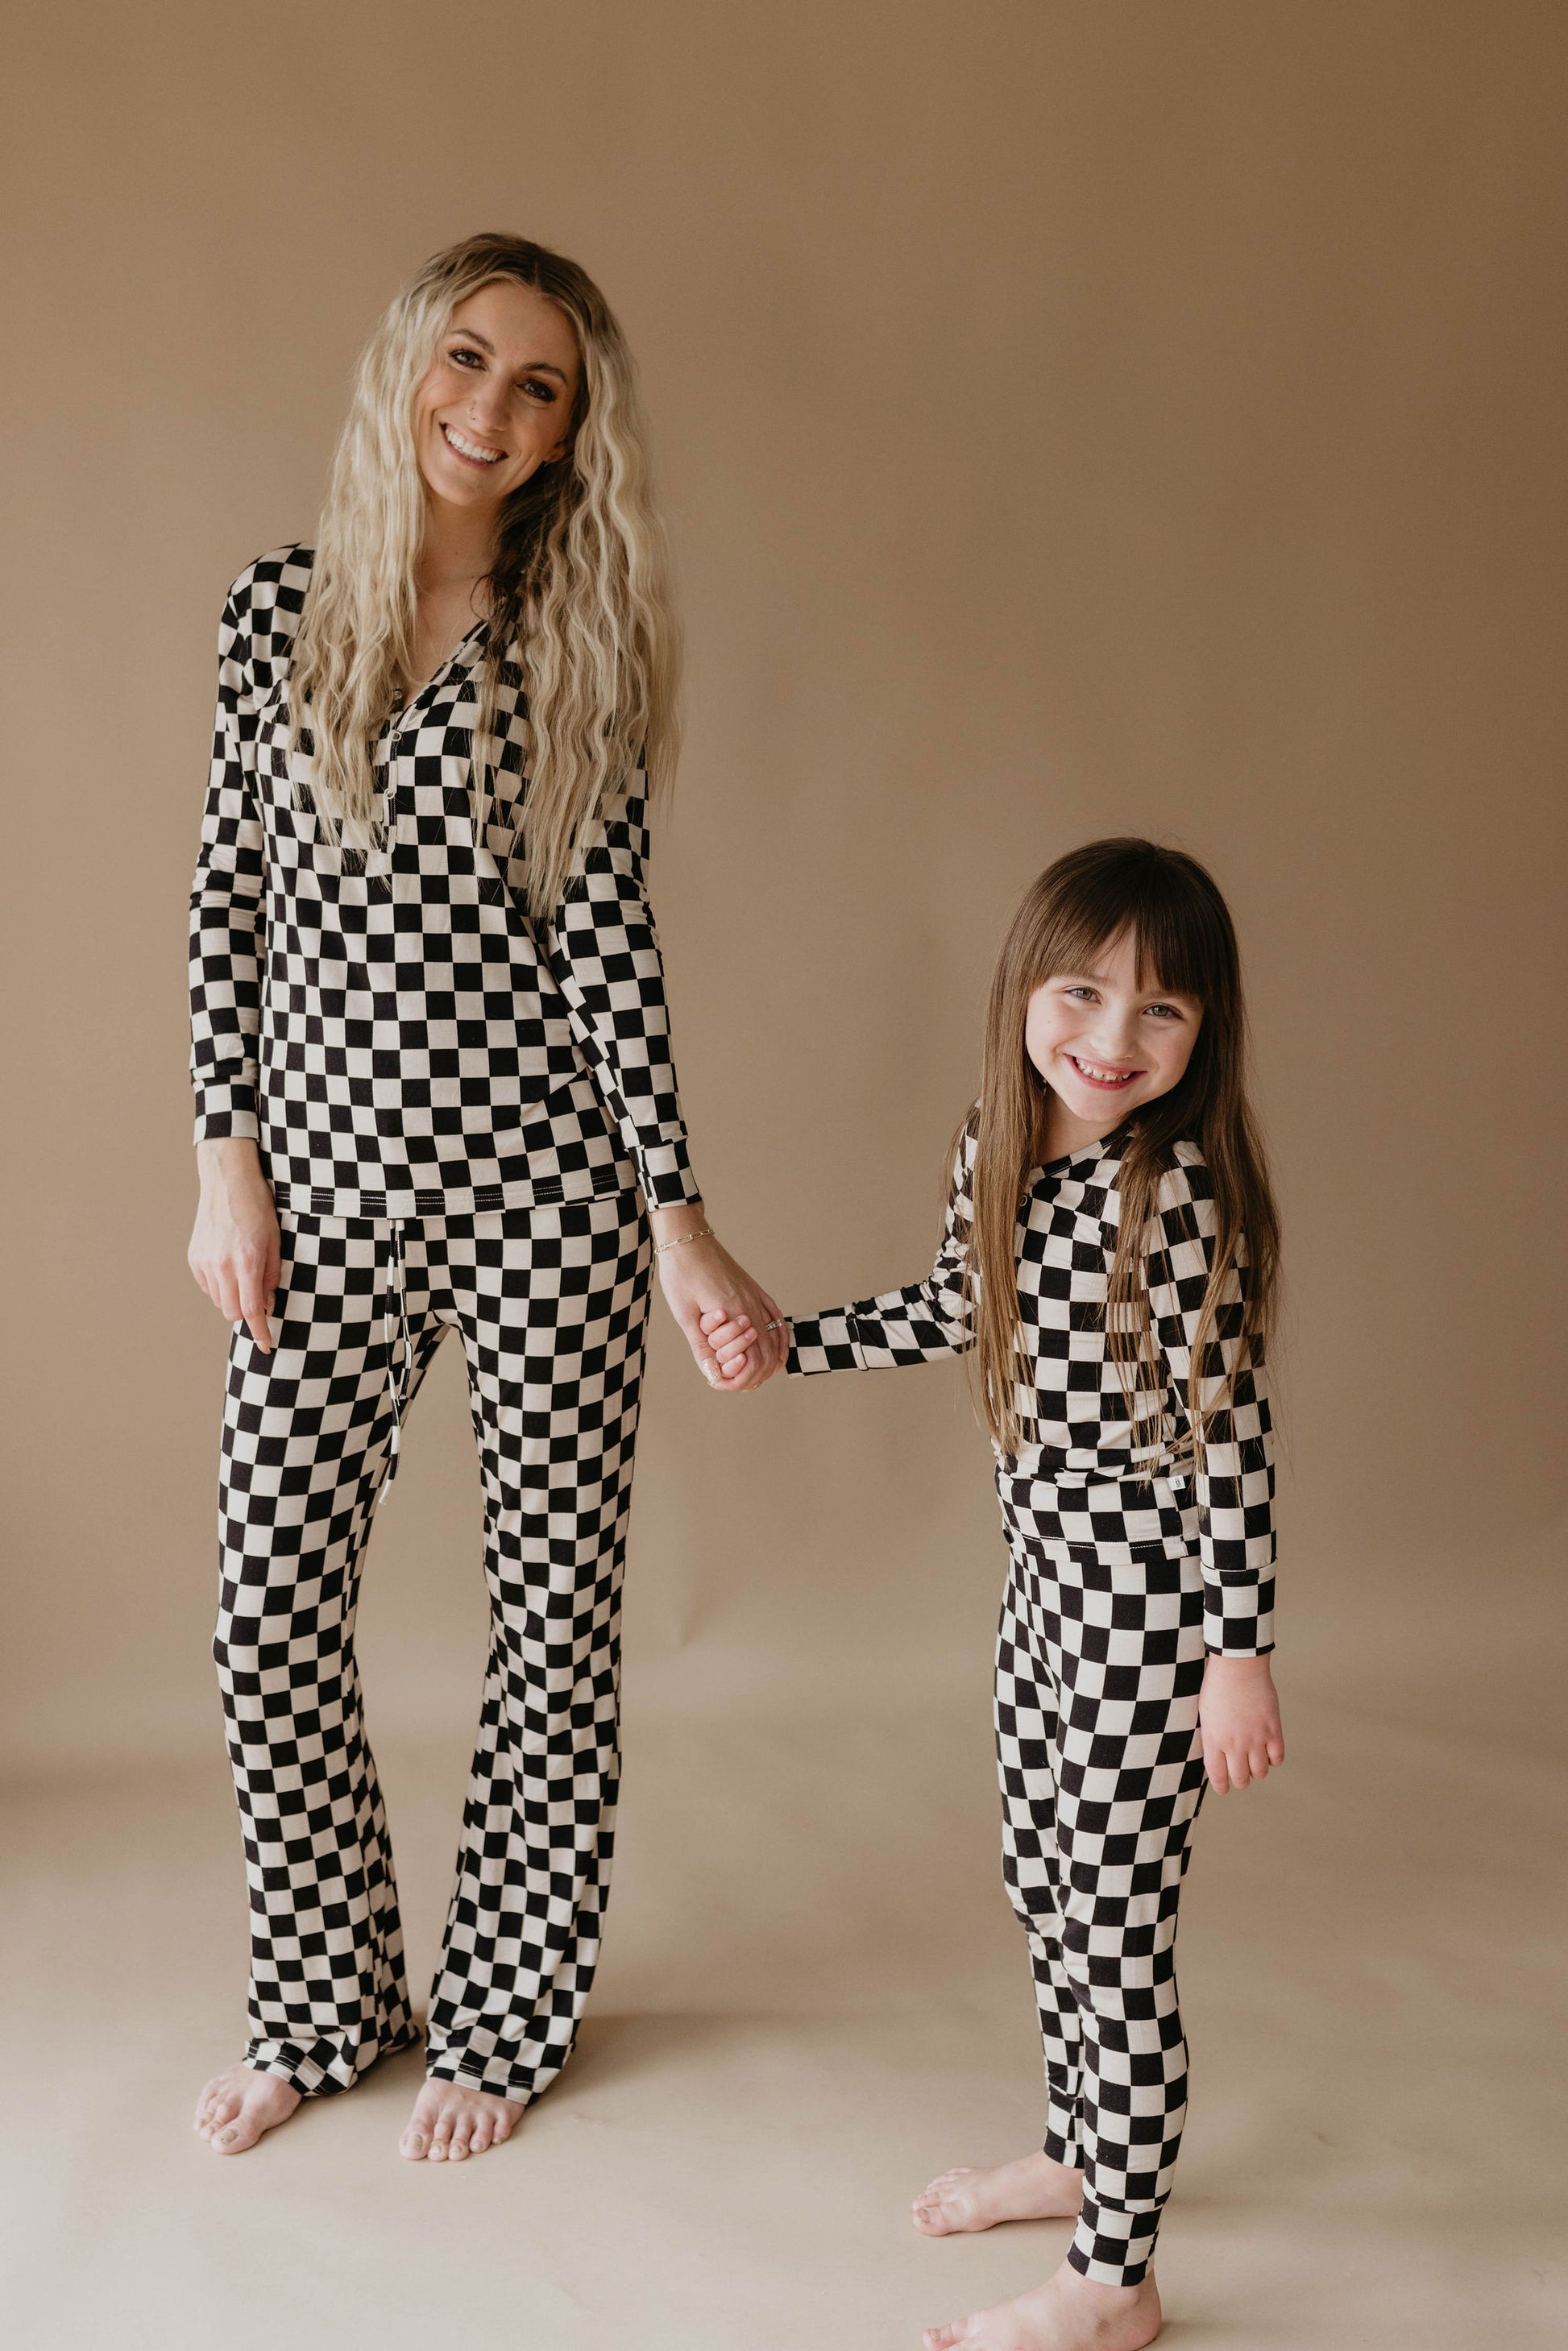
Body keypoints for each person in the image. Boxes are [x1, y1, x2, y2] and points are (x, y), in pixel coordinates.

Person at [186, 232, 784, 2163]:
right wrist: (226, 1171)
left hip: (549, 1192)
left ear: (568, 433)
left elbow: (608, 940)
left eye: (540, 388)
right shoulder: (277, 613)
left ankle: (505, 2014)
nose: (493, 410)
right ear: (408, 369)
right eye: (469, 361)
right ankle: (327, 1991)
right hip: (327, 1192)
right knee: (267, 1602)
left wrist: (676, 1215)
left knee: (555, 1611)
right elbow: (229, 911)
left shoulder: (571, 645)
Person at [707, 839, 1284, 2351]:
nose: (1111, 1037)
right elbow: (963, 1304)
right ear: (1025, 985)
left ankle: (1117, 2275)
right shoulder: (1004, 1140)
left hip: (1146, 1617)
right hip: (1041, 1598)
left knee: (1114, 1931)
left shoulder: (1180, 1203)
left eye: (1161, 1012)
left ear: (1206, 1032)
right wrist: (791, 1343)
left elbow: (1229, 1436)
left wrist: (1238, 1652)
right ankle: (1080, 2149)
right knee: (1045, 1893)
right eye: (1083, 991)